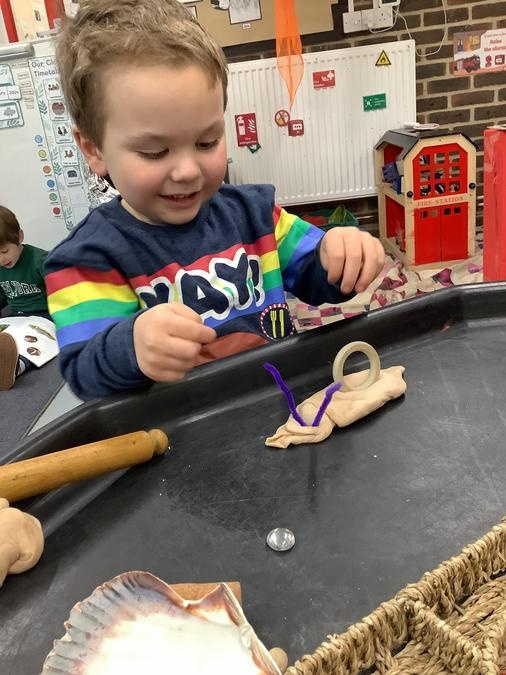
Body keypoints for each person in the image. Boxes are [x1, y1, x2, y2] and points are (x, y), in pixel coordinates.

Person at [45, 0, 385, 401]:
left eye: (207, 142)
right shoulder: (88, 258)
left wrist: (340, 254)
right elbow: (84, 371)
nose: (188, 170)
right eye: (155, 152)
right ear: (94, 149)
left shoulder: (256, 215)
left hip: (281, 399)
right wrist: (131, 346)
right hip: (183, 426)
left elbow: (316, 275)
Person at [0, 206, 50, 390]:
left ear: (19, 237)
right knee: (6, 337)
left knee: (32, 340)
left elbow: (61, 293)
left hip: (44, 315)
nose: (1, 260)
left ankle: (15, 367)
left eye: (4, 251)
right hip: (15, 316)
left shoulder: (41, 261)